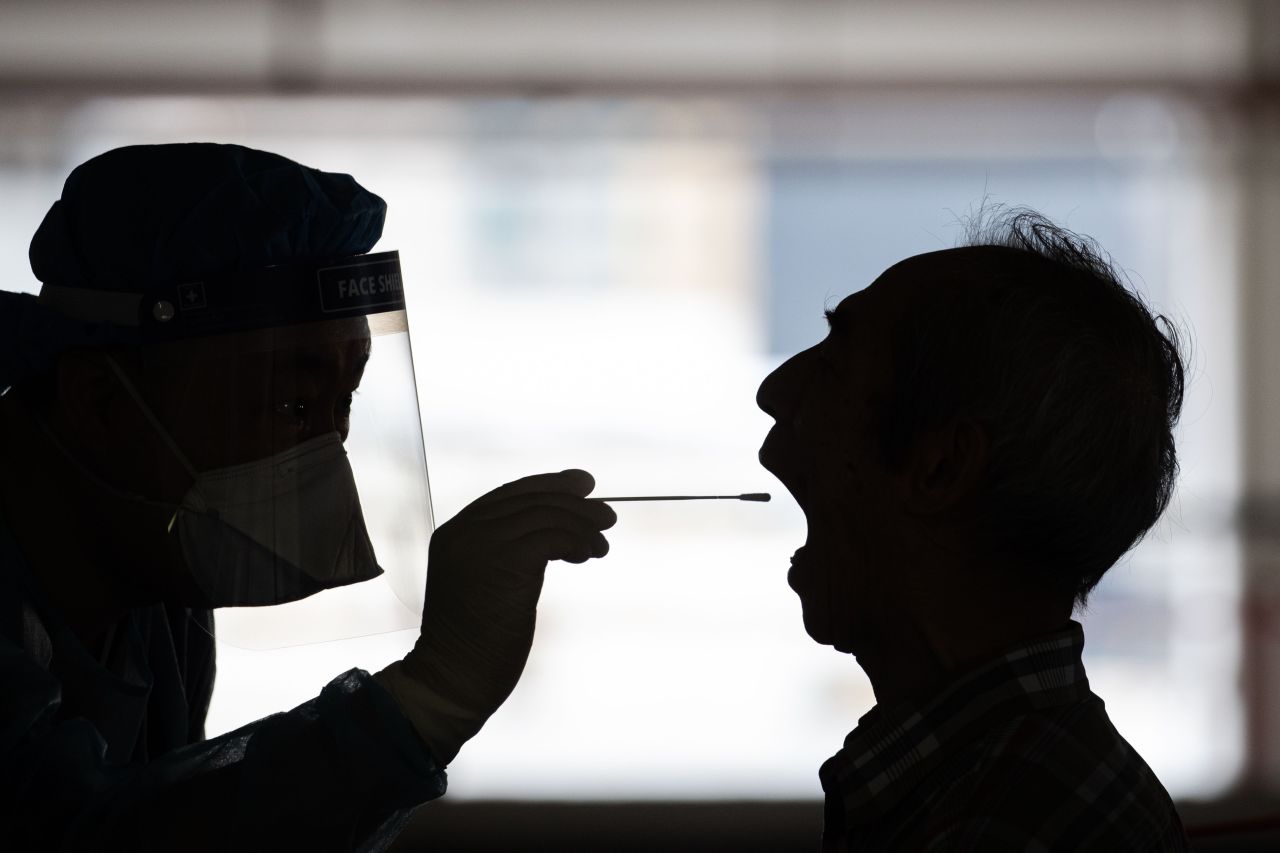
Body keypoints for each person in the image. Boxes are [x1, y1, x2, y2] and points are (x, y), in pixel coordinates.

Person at [0, 143, 616, 852]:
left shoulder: (155, 582)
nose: (325, 454)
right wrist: (430, 696)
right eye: (291, 403)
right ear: (99, 399)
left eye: (343, 401)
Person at [756, 210, 1192, 851]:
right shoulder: (1022, 780)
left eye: (835, 363)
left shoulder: (1003, 827)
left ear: (941, 468)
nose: (774, 391)